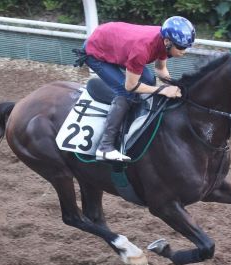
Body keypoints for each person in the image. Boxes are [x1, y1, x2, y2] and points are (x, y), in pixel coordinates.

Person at [84, 16, 196, 161]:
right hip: (96, 52)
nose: (184, 51)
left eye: (187, 47)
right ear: (168, 42)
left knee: (148, 80)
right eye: (181, 47)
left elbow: (160, 70)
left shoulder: (163, 40)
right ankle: (105, 147)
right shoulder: (143, 49)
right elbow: (131, 86)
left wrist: (175, 84)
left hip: (115, 44)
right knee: (126, 93)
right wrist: (162, 90)